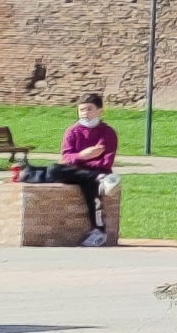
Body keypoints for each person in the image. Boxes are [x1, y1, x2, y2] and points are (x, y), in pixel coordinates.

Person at [36, 93, 119, 246]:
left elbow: (106, 162)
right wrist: (83, 155)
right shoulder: (72, 131)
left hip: (97, 172)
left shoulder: (107, 132)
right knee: (55, 169)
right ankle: (97, 180)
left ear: (100, 111)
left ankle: (99, 230)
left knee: (92, 186)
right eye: (81, 110)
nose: (85, 113)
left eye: (89, 109)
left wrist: (80, 162)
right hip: (82, 173)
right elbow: (65, 157)